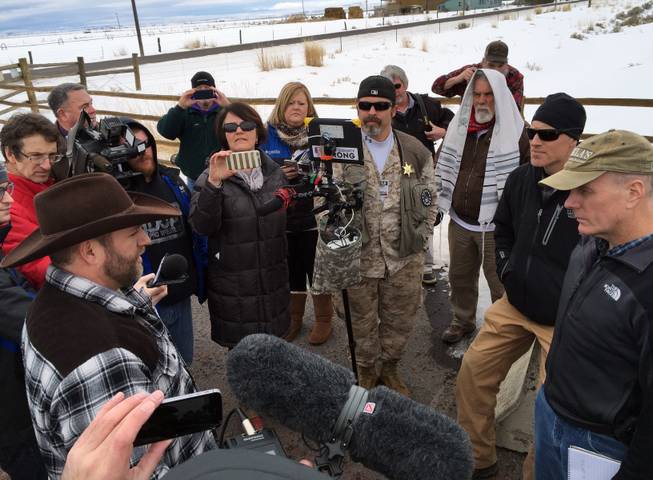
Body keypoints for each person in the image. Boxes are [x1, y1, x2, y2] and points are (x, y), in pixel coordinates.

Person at [0, 173, 216, 479]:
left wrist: (134, 306)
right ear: (90, 251)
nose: (146, 239)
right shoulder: (102, 361)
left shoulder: (55, 299)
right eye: (133, 232)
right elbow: (144, 470)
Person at [455, 93, 586, 480]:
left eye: (547, 134)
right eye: (532, 131)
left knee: (551, 408)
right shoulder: (520, 178)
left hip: (562, 321)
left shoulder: (591, 190)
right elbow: (504, 228)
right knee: (473, 373)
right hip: (516, 303)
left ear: (575, 140)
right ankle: (478, 461)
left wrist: (575, 301)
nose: (535, 140)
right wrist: (507, 269)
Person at [534, 130, 653, 480]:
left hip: (602, 444)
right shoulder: (594, 242)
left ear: (634, 192)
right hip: (551, 409)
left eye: (584, 190)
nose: (569, 202)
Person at [332, 76, 437, 396]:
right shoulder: (340, 150)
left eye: (380, 106)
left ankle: (389, 368)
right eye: (365, 106)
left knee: (400, 319)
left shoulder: (415, 150)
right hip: (359, 258)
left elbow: (431, 198)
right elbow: (322, 202)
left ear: (394, 108)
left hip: (403, 258)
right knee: (360, 322)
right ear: (357, 108)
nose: (372, 113)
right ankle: (365, 371)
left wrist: (421, 240)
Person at [435, 69, 530, 344]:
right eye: (476, 94)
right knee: (460, 278)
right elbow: (444, 163)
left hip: (497, 227)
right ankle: (462, 320)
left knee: (500, 282)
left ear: (499, 96)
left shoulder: (516, 133)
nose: (481, 100)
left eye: (488, 94)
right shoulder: (459, 129)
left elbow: (527, 176)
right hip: (461, 222)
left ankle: (505, 334)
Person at [189, 102, 290, 348]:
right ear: (223, 136)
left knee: (276, 356)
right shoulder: (209, 177)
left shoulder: (275, 173)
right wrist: (214, 184)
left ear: (258, 132)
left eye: (246, 125)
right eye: (231, 127)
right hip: (235, 289)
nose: (239, 131)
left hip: (272, 281)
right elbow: (202, 226)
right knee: (245, 359)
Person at [122, 119, 208, 365]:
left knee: (183, 361)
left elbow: (195, 229)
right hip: (148, 297)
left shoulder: (172, 181)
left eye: (147, 143)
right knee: (156, 367)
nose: (144, 151)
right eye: (134, 147)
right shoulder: (117, 193)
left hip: (179, 291)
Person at [259, 82, 333, 345]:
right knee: (291, 270)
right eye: (291, 102)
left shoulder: (320, 134)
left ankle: (325, 319)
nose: (296, 107)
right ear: (282, 104)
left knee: (317, 269)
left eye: (302, 103)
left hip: (314, 215)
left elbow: (336, 168)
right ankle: (294, 318)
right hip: (282, 218)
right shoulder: (265, 135)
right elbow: (257, 176)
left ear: (309, 107)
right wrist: (279, 174)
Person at [380, 64, 454, 286]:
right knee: (396, 217)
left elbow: (454, 121)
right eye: (388, 87)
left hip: (422, 172)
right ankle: (398, 263)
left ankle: (427, 265)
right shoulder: (383, 109)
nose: (394, 91)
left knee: (424, 215)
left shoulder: (426, 105)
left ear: (405, 84)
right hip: (393, 174)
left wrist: (444, 132)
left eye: (397, 86)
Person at [0, 162, 48, 480]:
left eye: (7, 189)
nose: (7, 199)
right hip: (11, 421)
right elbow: (33, 321)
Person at [0, 112, 61, 289]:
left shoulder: (43, 184)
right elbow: (39, 267)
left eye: (51, 155)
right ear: (11, 154)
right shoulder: (7, 206)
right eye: (36, 156)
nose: (47, 165)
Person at [157, 71, 229, 189]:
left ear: (214, 90)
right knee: (195, 206)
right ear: (192, 91)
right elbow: (166, 132)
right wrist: (180, 107)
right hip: (193, 177)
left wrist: (228, 106)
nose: (203, 91)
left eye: (207, 88)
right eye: (199, 89)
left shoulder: (224, 112)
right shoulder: (184, 113)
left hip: (223, 174)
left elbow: (245, 128)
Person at [432, 40, 524, 110]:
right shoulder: (471, 71)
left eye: (500, 66)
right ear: (483, 61)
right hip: (468, 127)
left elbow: (515, 109)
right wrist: (458, 78)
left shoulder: (515, 77)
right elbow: (436, 87)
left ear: (506, 64)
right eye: (491, 65)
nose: (495, 70)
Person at [47, 82, 97, 181]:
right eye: (84, 107)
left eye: (91, 103)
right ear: (62, 114)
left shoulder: (109, 133)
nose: (93, 110)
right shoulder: (47, 151)